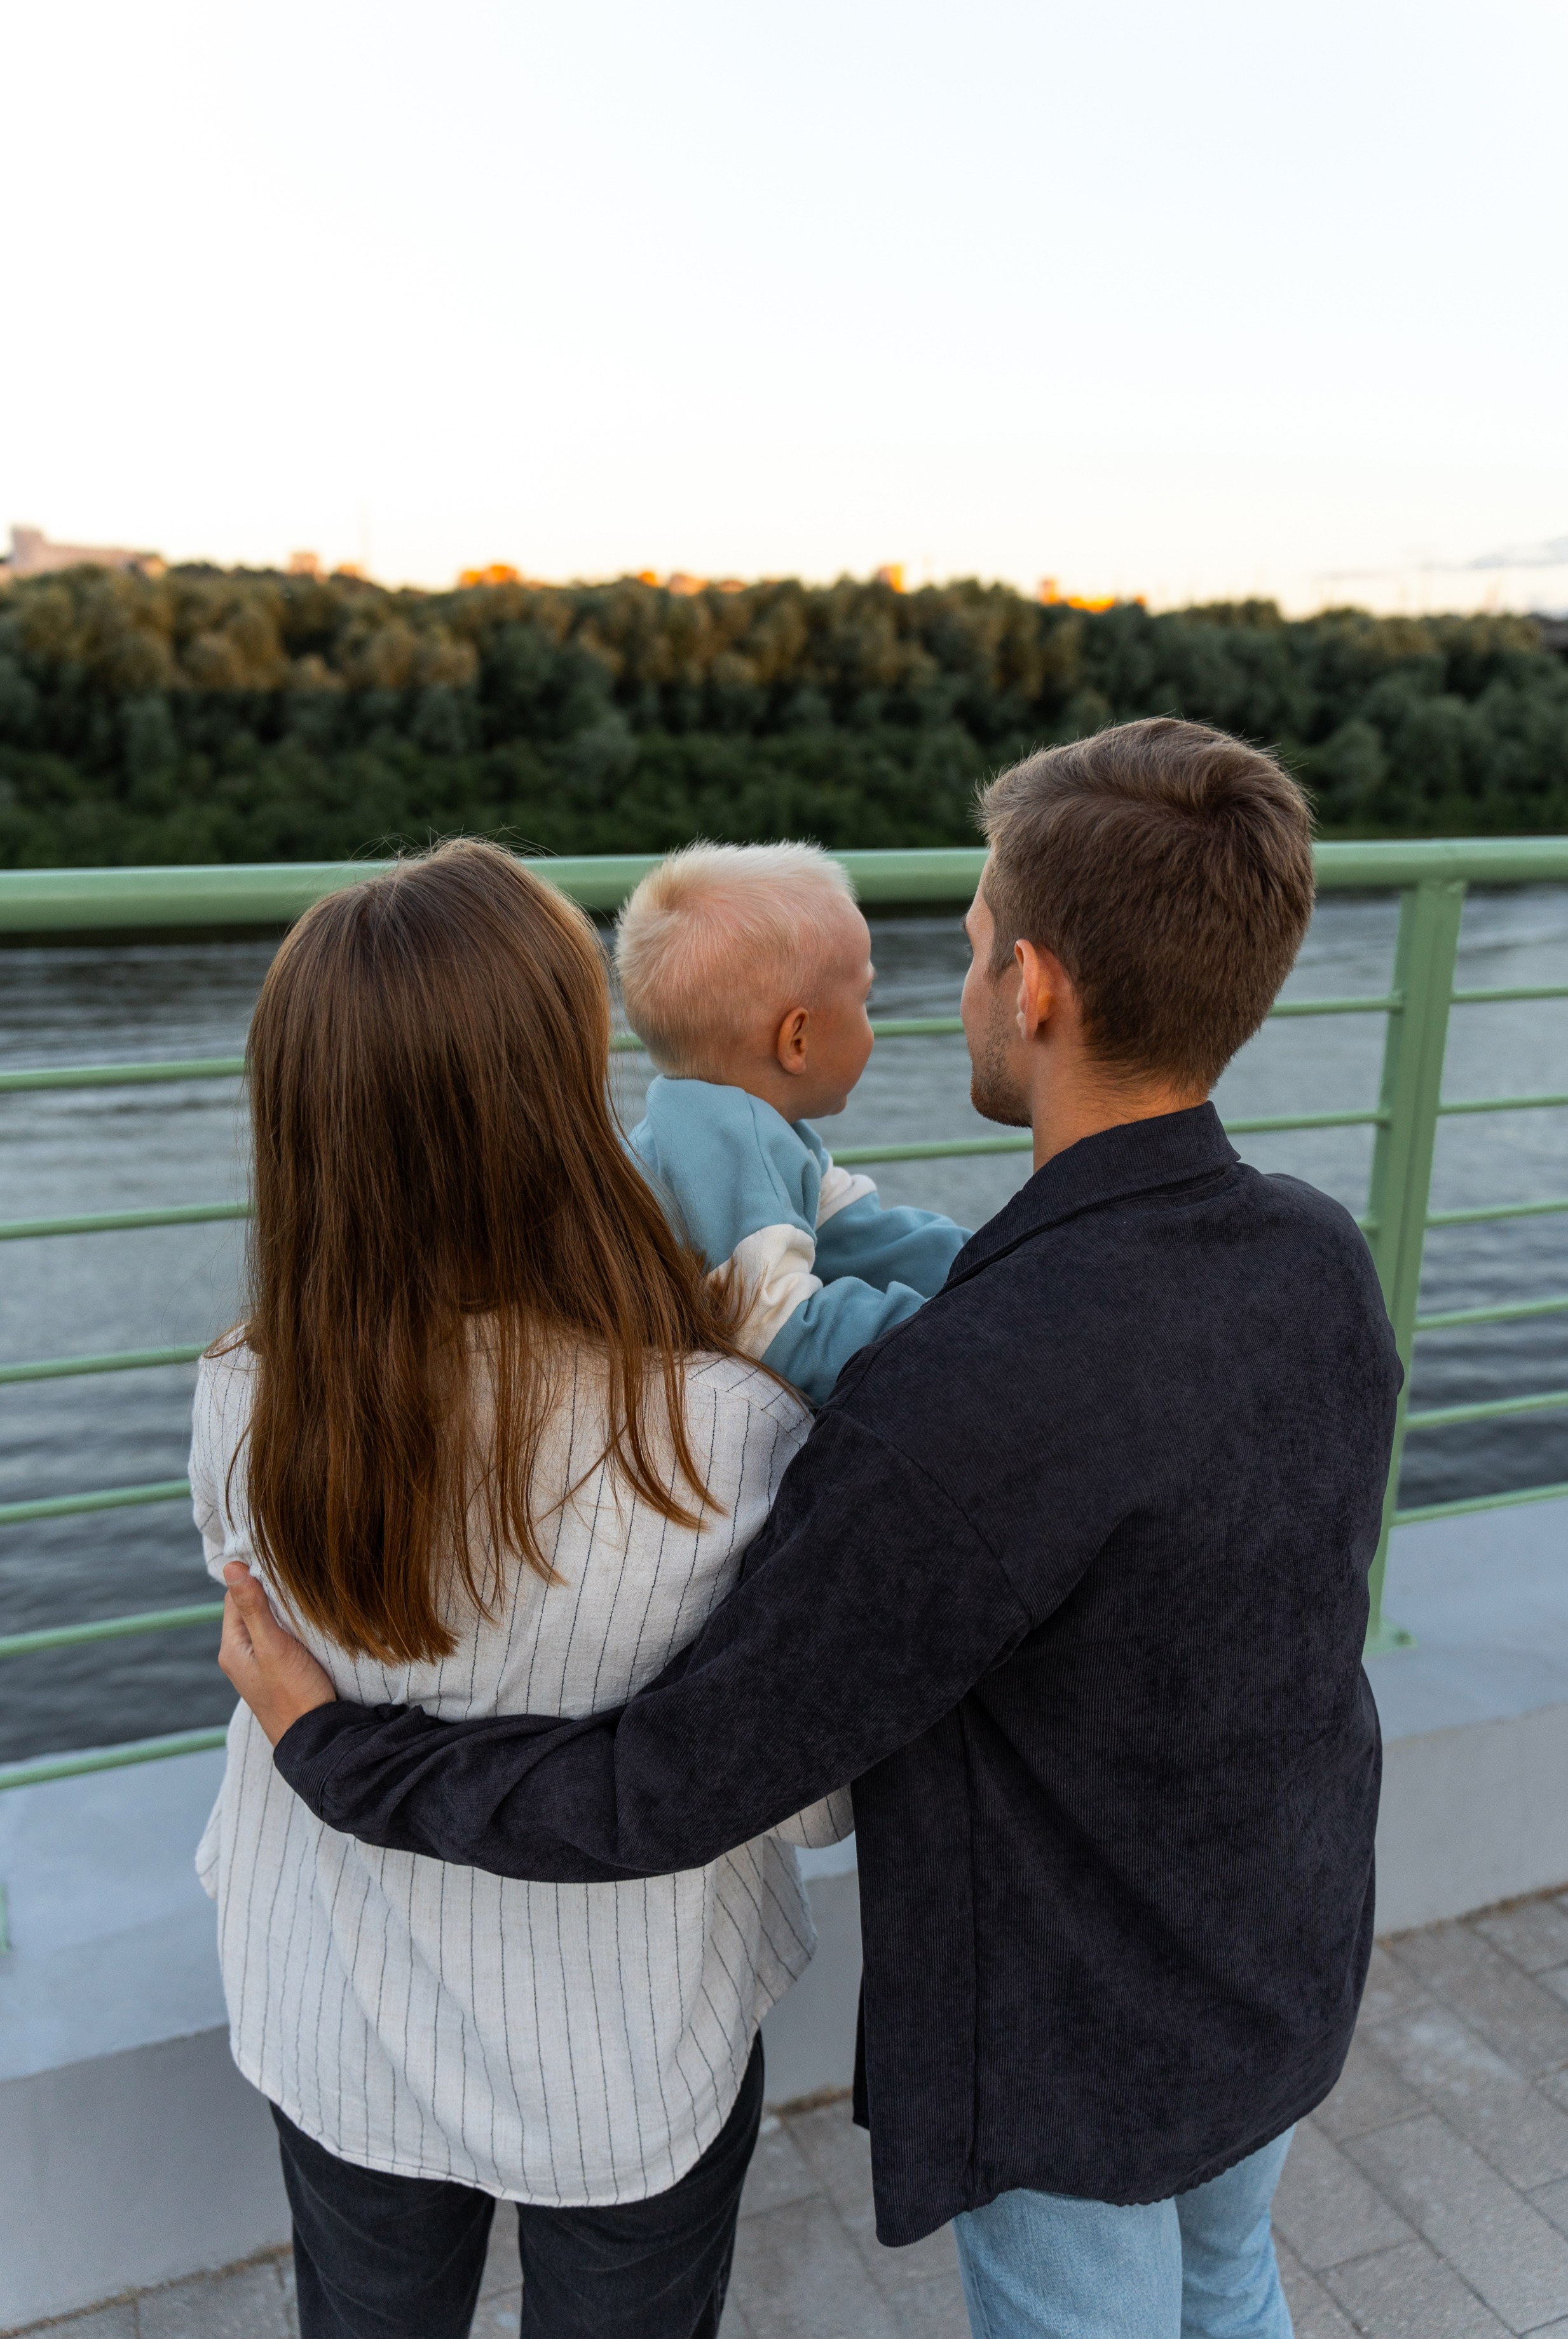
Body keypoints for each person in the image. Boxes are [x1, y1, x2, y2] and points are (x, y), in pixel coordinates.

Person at [222, 721, 1403, 2339]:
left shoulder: (952, 1403)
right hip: (1276, 1948)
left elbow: (678, 1780)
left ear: (1037, 989)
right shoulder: (1312, 1254)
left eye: (975, 943)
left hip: (1080, 2039)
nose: (959, 977)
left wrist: (333, 1749)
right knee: (1229, 2280)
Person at [189, 838, 850, 2339]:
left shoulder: (244, 1390)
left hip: (336, 2000)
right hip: (623, 2046)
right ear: (563, 1094)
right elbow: (799, 1788)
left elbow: (252, 1636)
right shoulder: (725, 1431)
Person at [617, 840, 969, 1403]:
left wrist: (1006, 1259)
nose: (871, 1023)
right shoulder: (728, 1146)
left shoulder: (753, 1129)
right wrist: (962, 1331)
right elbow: (776, 1331)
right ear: (796, 1040)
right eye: (867, 1000)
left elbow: (865, 1239)